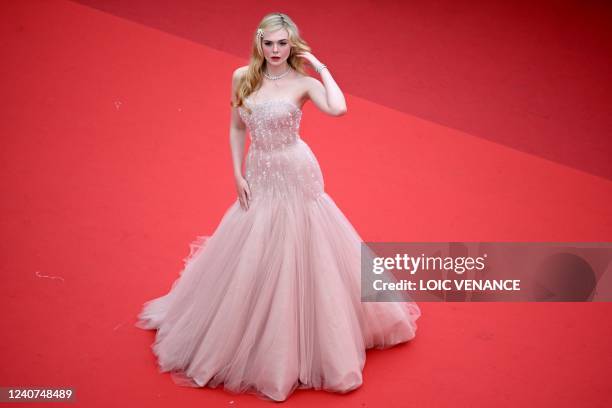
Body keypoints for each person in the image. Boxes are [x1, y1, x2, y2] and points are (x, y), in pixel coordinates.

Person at [135, 12, 421, 402]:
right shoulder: (242, 77)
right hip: (259, 172)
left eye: (282, 43)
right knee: (254, 244)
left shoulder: (304, 83)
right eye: (268, 43)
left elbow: (338, 109)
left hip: (296, 171)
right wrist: (236, 173)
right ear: (258, 43)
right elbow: (237, 127)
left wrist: (321, 68)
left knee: (302, 245)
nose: (274, 50)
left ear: (293, 45)